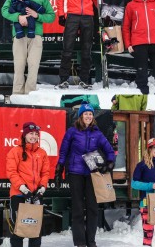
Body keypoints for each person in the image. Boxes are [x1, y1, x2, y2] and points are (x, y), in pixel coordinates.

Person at [54, 101, 115, 247]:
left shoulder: (97, 133)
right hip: (75, 173)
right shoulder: (72, 131)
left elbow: (109, 150)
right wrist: (59, 168)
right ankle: (80, 242)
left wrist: (110, 163)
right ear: (80, 116)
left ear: (93, 117)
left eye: (90, 114)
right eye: (85, 113)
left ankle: (91, 241)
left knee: (93, 208)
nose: (88, 116)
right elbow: (63, 151)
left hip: (92, 174)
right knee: (78, 209)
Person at [1, 0, 55, 95]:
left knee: (33, 66)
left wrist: (37, 16)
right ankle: (17, 95)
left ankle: (30, 95)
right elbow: (4, 10)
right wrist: (18, 17)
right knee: (19, 66)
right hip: (19, 36)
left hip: (35, 36)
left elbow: (51, 16)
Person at [57, 0, 97, 90]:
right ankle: (63, 80)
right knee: (67, 48)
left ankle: (84, 80)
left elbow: (95, 0)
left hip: (87, 17)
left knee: (87, 50)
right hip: (73, 16)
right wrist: (61, 14)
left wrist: (98, 16)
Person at [6, 121, 50, 247]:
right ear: (24, 135)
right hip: (19, 195)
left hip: (36, 195)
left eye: (36, 134)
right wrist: (24, 189)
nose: (34, 136)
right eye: (31, 133)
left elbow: (45, 172)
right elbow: (11, 172)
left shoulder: (42, 153)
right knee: (17, 230)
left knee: (36, 231)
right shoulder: (15, 151)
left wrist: (41, 189)